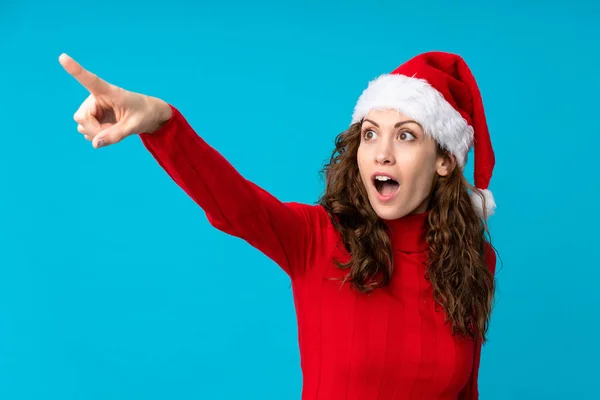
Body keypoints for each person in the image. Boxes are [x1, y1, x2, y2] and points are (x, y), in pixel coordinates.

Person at [59, 50, 498, 400]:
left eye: (405, 135)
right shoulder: (317, 238)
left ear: (444, 160)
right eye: (369, 133)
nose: (381, 153)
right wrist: (161, 122)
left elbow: (465, 390)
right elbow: (234, 204)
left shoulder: (475, 259)